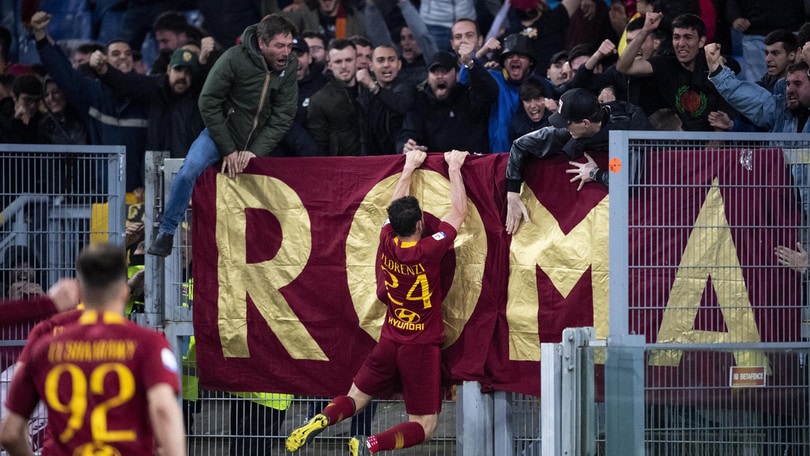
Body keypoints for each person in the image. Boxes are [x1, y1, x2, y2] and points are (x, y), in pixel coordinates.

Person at [286, 148, 470, 456]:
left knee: (355, 398)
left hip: (389, 339)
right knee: (425, 426)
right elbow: (459, 213)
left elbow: (392, 207)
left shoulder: (387, 238)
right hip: (420, 346)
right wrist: (454, 167)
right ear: (421, 224)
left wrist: (408, 168)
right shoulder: (429, 250)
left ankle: (324, 417)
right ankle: (371, 443)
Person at [0, 243, 185, 456]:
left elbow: (11, 433)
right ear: (124, 292)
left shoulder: (45, 345)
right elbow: (163, 411)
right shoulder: (148, 344)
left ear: (79, 291)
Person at [148, 14, 299, 257]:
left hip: (257, 144)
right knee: (189, 170)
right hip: (219, 135)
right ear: (262, 43)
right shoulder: (233, 58)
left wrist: (255, 151)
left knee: (269, 195)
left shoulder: (289, 64)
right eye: (279, 46)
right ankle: (166, 232)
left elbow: (284, 114)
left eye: (289, 45)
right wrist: (228, 148)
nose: (286, 52)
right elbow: (208, 101)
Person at [30, 11, 149, 194]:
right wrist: (41, 37)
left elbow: (156, 143)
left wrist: (147, 184)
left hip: (140, 193)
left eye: (128, 54)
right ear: (105, 60)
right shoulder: (93, 93)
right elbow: (63, 73)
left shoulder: (146, 94)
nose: (123, 57)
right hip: (102, 193)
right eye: (116, 53)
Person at [504, 88, 651, 234]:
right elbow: (520, 145)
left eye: (567, 124)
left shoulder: (628, 129)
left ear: (585, 123)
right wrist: (512, 193)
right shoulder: (572, 129)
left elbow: (628, 183)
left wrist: (594, 173)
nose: (564, 128)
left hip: (637, 216)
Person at [615, 12, 737, 131]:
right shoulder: (665, 64)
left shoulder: (714, 64)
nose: (681, 44)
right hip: (675, 141)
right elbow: (623, 67)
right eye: (676, 37)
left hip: (710, 140)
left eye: (688, 37)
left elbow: (723, 112)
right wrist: (645, 31)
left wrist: (716, 142)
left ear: (701, 41)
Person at [90, 46, 207, 159]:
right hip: (156, 160)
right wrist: (104, 70)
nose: (182, 76)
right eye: (178, 70)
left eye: (188, 72)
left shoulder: (197, 96)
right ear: (168, 69)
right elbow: (126, 84)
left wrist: (203, 63)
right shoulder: (155, 87)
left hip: (189, 162)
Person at [397, 50, 498, 154]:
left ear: (457, 74)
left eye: (444, 71)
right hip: (435, 164)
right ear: (428, 76)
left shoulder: (468, 97)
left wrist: (471, 64)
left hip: (471, 162)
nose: (439, 76)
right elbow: (409, 133)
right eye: (434, 72)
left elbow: (490, 91)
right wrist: (405, 146)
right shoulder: (420, 102)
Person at [306, 39, 365, 155]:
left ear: (357, 61)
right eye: (338, 61)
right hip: (340, 164)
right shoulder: (319, 101)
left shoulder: (370, 90)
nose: (344, 66)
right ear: (330, 65)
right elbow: (320, 146)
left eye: (348, 60)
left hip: (377, 161)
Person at [357, 44, 415, 155]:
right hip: (376, 158)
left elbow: (401, 105)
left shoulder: (407, 86)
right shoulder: (366, 97)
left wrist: (373, 87)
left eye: (391, 60)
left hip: (402, 156)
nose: (386, 65)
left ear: (399, 65)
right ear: (371, 66)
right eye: (380, 60)